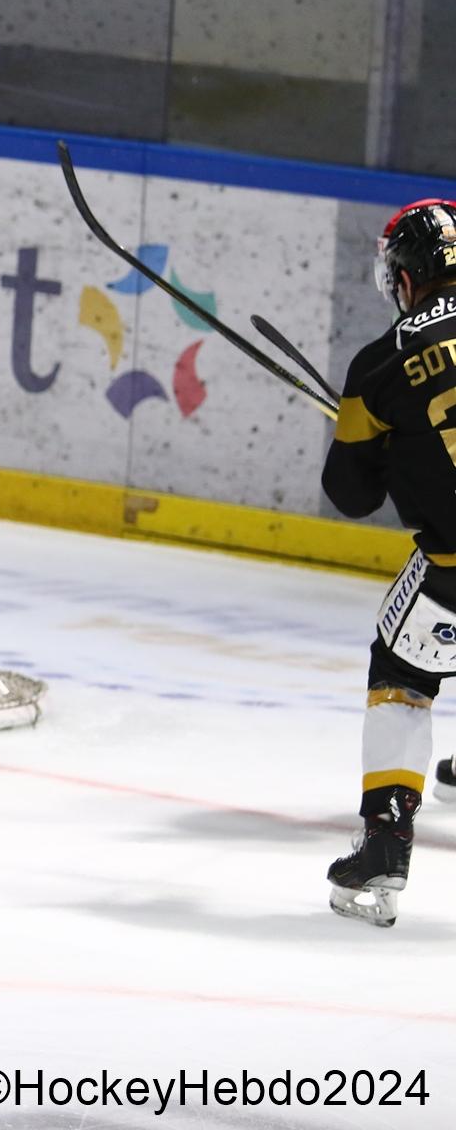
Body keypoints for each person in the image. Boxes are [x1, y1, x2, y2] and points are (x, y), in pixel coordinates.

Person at [321, 197, 456, 928]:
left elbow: (350, 494)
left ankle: (384, 839)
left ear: (405, 278)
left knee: (403, 664)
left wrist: (370, 441)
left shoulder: (379, 365)